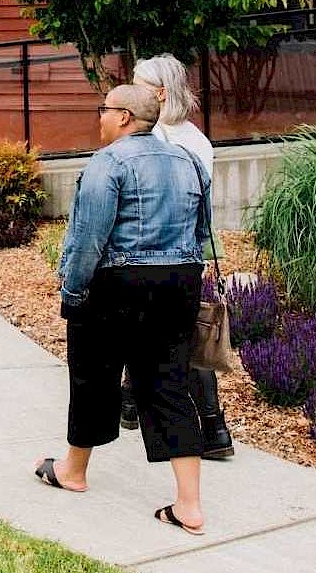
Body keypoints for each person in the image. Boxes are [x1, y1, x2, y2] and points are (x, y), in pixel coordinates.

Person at [35, 83, 211, 537]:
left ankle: (73, 472)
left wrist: (73, 294)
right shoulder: (188, 161)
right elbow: (202, 229)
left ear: (126, 118)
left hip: (118, 284)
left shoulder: (108, 163)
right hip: (181, 280)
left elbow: (88, 239)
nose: (100, 117)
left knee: (93, 375)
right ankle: (189, 504)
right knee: (170, 384)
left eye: (105, 110)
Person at [125, 54, 235, 461]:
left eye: (137, 84)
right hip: (189, 253)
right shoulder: (198, 141)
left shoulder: (159, 142)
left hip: (158, 252)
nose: (131, 91)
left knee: (173, 337)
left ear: (159, 93)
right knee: (173, 332)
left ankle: (208, 425)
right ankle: (212, 427)